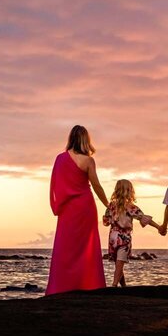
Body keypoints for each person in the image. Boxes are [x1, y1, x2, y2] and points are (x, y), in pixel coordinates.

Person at [46, 125, 110, 295]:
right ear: (85, 140)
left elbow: (55, 185)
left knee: (65, 246)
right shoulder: (88, 161)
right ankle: (88, 284)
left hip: (68, 208)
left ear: (71, 138)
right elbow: (96, 185)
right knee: (86, 247)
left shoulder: (60, 158)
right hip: (85, 207)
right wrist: (108, 204)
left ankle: (61, 286)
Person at [102, 179, 164, 288]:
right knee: (120, 264)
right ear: (129, 191)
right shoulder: (131, 207)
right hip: (124, 237)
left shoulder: (111, 205)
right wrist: (158, 227)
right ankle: (114, 285)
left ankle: (124, 287)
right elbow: (145, 219)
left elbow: (106, 222)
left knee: (118, 263)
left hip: (113, 237)